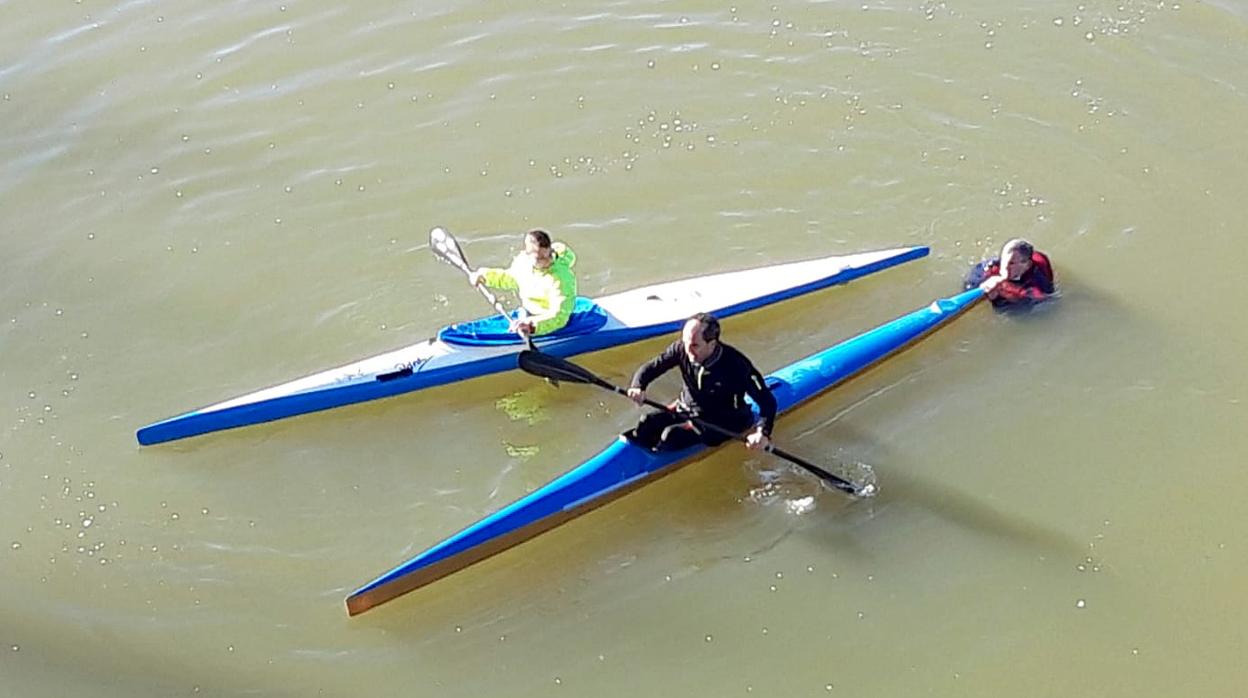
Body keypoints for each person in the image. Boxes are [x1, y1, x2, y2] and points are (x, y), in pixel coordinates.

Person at [623, 313, 777, 453]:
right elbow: (652, 367)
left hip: (724, 422)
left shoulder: (736, 365)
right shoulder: (682, 348)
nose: (688, 351)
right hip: (687, 409)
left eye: (695, 345)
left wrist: (762, 432)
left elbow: (768, 403)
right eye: (686, 343)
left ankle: (659, 454)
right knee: (646, 423)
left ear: (712, 344)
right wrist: (638, 386)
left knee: (671, 435)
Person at [468, 229, 577, 336]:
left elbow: (559, 316)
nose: (546, 261)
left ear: (550, 250)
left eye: (547, 256)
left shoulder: (561, 278)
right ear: (527, 253)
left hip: (551, 321)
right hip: (528, 312)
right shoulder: (524, 262)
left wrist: (532, 326)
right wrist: (484, 276)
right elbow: (510, 278)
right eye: (539, 258)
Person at [965, 238, 1056, 308]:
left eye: (1012, 263)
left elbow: (1043, 301)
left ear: (1027, 265)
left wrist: (1002, 291)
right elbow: (971, 284)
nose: (1005, 267)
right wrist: (983, 288)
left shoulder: (1038, 278)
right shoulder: (990, 266)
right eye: (1004, 261)